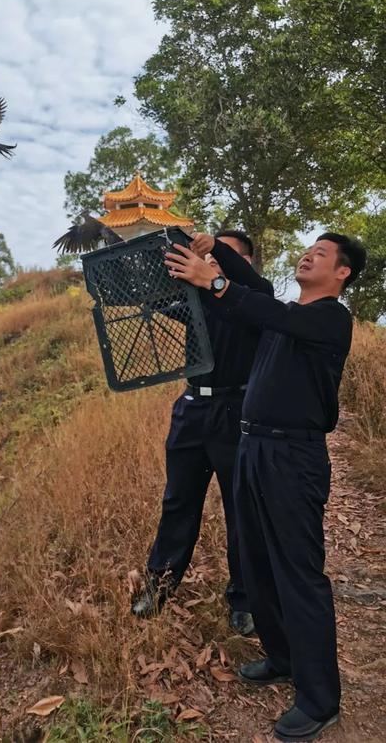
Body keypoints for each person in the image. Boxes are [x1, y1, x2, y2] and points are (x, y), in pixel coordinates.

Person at [165, 232, 366, 743]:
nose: (308, 255)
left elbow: (261, 306)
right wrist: (220, 250)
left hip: (292, 457)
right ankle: (281, 658)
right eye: (308, 249)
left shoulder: (328, 318)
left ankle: (321, 699)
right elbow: (254, 288)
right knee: (256, 561)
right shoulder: (287, 313)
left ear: (341, 273)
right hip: (252, 447)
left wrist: (213, 280)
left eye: (321, 254)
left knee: (298, 573)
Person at [131, 230, 273, 637]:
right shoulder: (195, 302)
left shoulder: (254, 302)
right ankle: (159, 587)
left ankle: (244, 600)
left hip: (236, 412)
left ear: (240, 261)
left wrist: (219, 253)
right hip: (192, 409)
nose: (206, 258)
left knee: (240, 509)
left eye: (218, 254)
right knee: (178, 501)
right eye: (206, 252)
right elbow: (153, 300)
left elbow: (257, 286)